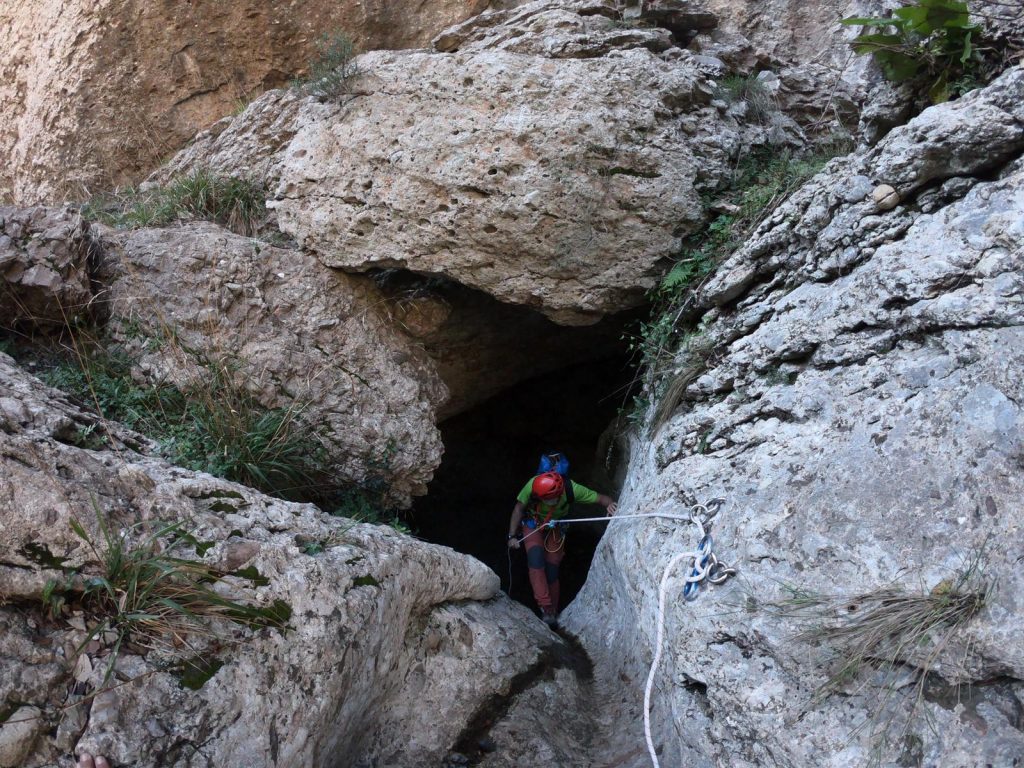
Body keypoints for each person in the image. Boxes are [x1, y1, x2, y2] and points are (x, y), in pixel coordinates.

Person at [507, 464, 617, 627]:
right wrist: (512, 536)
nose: (551, 502)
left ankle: (552, 610)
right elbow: (518, 509)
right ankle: (546, 608)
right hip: (533, 523)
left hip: (556, 526)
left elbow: (601, 498)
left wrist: (610, 504)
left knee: (551, 570)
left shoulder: (571, 488)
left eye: (554, 498)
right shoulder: (531, 487)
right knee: (536, 561)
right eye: (547, 499)